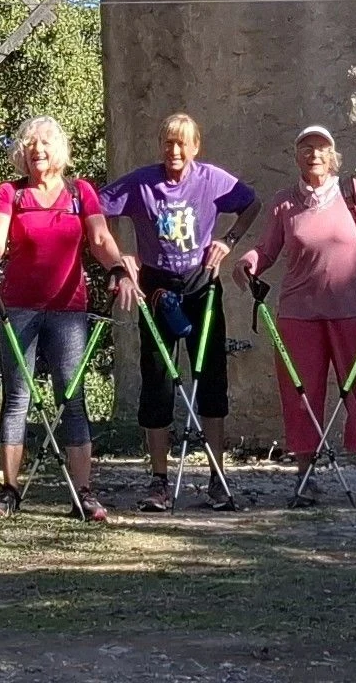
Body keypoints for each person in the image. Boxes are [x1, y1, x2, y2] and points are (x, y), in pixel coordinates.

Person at [101, 111, 255, 512]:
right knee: (157, 380)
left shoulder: (212, 180)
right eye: (168, 142)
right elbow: (96, 209)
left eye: (181, 143)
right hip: (156, 287)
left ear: (195, 147)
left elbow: (251, 203)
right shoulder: (142, 182)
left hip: (202, 284)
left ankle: (217, 478)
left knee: (211, 377)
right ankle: (159, 480)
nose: (174, 150)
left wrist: (228, 241)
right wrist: (120, 258)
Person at [239, 122, 356, 507]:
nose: (314, 154)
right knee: (301, 394)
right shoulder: (284, 203)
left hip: (353, 309)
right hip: (299, 314)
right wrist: (248, 262)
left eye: (321, 147)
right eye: (306, 147)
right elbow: (266, 250)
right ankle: (305, 477)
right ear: (296, 156)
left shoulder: (351, 193)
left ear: (333, 155)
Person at [0, 115, 126, 521]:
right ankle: (10, 490)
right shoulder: (11, 193)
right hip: (18, 309)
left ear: (58, 150)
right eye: (30, 145)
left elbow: (99, 237)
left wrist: (117, 268)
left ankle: (84, 493)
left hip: (68, 309)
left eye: (45, 143)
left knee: (71, 398)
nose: (37, 151)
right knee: (16, 398)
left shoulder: (80, 193)